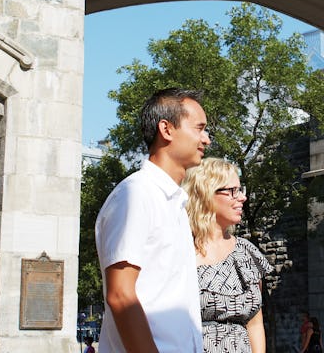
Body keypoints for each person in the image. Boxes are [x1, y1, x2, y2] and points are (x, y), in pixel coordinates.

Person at [95, 88, 211, 352]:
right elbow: (120, 294)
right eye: (199, 128)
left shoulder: (175, 203)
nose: (206, 139)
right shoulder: (136, 193)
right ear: (166, 129)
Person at [184, 158, 273, 353]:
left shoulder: (247, 253)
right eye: (233, 191)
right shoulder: (178, 251)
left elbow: (255, 324)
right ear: (205, 194)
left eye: (241, 190)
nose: (242, 198)